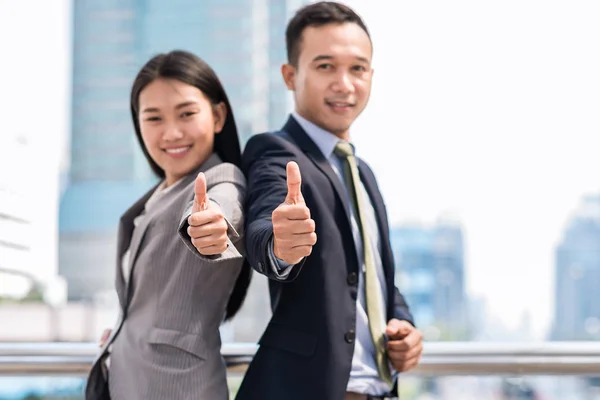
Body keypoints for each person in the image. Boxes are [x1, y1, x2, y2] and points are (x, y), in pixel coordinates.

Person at [236, 2, 423, 399]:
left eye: (357, 68)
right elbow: (263, 230)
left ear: (371, 75)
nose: (345, 83)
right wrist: (280, 243)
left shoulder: (361, 172)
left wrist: (402, 325)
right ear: (290, 75)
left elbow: (372, 273)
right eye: (325, 66)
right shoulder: (276, 152)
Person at [84, 50, 251, 400]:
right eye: (154, 118)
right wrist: (123, 335)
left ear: (218, 115)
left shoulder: (222, 178)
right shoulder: (154, 197)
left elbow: (221, 210)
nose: (172, 132)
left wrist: (212, 226)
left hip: (181, 388)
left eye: (187, 113)